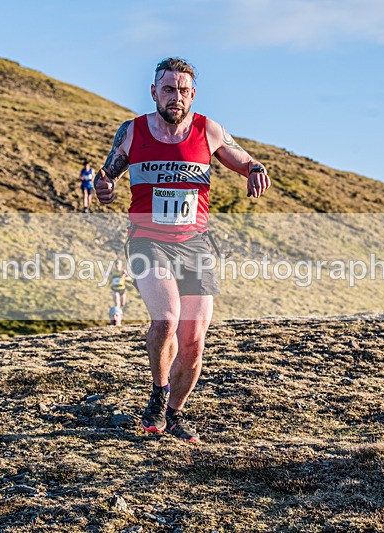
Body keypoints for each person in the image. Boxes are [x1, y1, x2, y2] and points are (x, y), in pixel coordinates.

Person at [94, 57, 270, 443]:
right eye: (168, 89)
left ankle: (174, 415)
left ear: (193, 94)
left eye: (183, 90)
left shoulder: (208, 130)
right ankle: (158, 395)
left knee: (192, 341)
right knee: (167, 320)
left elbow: (241, 158)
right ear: (154, 91)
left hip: (195, 245)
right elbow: (108, 174)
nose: (176, 97)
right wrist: (103, 185)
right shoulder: (132, 131)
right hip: (147, 240)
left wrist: (255, 168)